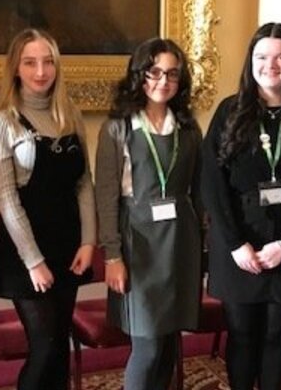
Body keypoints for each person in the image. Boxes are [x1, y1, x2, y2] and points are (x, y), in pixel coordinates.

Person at [201, 22, 281, 390]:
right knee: (242, 335)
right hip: (237, 246)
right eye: (262, 56)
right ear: (250, 62)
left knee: (275, 336)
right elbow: (212, 185)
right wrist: (234, 245)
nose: (270, 65)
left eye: (280, 56)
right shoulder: (229, 113)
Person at [0, 28, 96, 389]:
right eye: (30, 62)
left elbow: (83, 182)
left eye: (48, 62)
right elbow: (6, 198)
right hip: (25, 254)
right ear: (16, 68)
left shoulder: (70, 115)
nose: (40, 71)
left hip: (68, 246)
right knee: (44, 346)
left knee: (60, 347)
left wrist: (88, 242)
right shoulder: (3, 122)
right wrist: (33, 260)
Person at [95, 38, 203, 390]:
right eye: (154, 72)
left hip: (180, 243)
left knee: (170, 341)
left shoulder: (188, 128)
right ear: (139, 74)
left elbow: (199, 191)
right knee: (149, 344)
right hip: (137, 245)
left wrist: (204, 249)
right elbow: (107, 196)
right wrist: (112, 255)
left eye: (172, 73)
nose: (163, 81)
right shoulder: (118, 127)